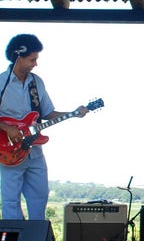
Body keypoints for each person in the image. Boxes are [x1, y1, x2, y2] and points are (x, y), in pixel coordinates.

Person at [0, 34, 89, 220]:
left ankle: (35, 240)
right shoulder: (2, 82)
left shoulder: (36, 82)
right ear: (19, 56)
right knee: (10, 201)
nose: (35, 64)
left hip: (35, 151)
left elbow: (47, 114)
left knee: (40, 195)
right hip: (8, 151)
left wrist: (73, 113)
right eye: (32, 59)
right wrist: (7, 129)